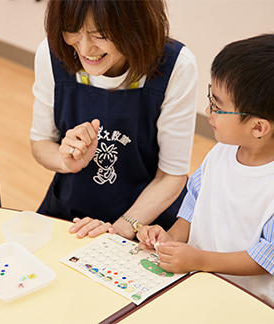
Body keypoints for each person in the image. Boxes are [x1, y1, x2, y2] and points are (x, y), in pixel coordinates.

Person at [30, 0, 198, 239]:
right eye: (73, 30)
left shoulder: (175, 65)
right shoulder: (52, 53)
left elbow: (171, 176)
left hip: (146, 225)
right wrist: (65, 160)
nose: (85, 49)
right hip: (71, 216)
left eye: (100, 35)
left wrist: (119, 229)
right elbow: (40, 143)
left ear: (135, 25)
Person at [137, 34, 274, 306]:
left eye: (217, 106)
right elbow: (195, 203)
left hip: (247, 303)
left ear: (258, 127)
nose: (208, 111)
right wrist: (171, 238)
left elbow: (266, 257)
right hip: (199, 280)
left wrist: (199, 259)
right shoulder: (221, 151)